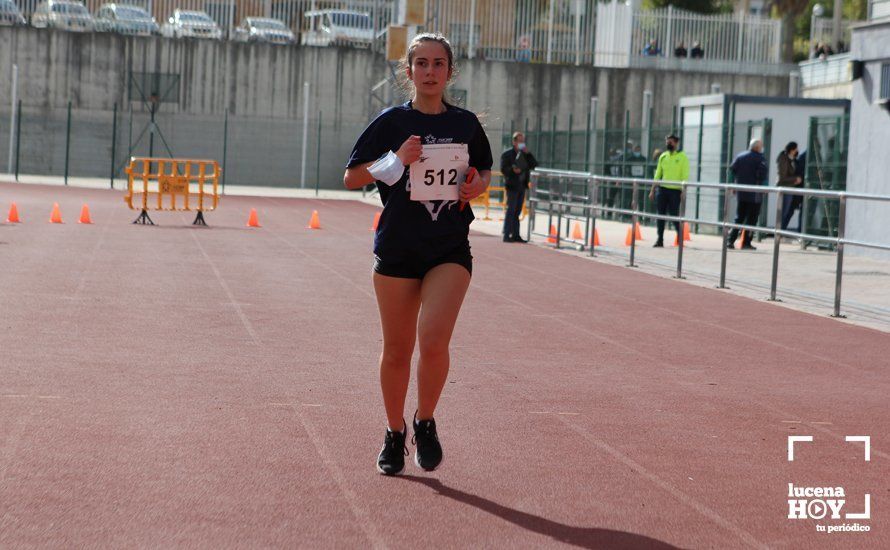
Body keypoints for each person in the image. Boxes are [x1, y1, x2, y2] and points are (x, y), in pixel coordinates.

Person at [342, 33, 493, 476]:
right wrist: (395, 161)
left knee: (433, 340)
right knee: (397, 349)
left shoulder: (465, 124)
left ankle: (425, 421)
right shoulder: (391, 122)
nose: (429, 72)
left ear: (450, 71)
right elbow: (351, 177)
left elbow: (483, 169)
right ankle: (394, 433)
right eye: (421, 64)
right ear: (408, 72)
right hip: (397, 248)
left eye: (438, 64)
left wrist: (477, 184)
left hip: (448, 246)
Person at [648, 134, 689, 247]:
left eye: (670, 142)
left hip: (675, 191)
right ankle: (660, 239)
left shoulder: (682, 157)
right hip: (662, 190)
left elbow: (685, 176)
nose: (668, 144)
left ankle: (680, 239)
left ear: (676, 143)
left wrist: (683, 191)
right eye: (667, 142)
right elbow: (658, 174)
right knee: (660, 215)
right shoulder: (663, 156)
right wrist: (652, 190)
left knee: (674, 215)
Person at [726, 139, 768, 250]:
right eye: (761, 146)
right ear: (758, 147)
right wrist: (765, 188)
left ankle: (730, 241)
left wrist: (732, 185)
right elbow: (763, 176)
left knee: (739, 218)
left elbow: (731, 171)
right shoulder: (760, 159)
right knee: (751, 220)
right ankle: (746, 243)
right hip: (755, 194)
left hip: (741, 193)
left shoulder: (740, 156)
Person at [500, 131, 537, 242]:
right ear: (514, 142)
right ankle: (507, 234)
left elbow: (534, 165)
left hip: (522, 185)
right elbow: (503, 169)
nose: (522, 143)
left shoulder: (525, 154)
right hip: (512, 186)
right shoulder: (507, 154)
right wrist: (513, 170)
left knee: (517, 211)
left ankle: (516, 234)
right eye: (519, 141)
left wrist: (528, 153)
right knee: (510, 210)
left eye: (523, 141)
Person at [776, 141, 802, 232]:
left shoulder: (792, 159)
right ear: (792, 150)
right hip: (785, 188)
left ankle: (780, 231)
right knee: (783, 211)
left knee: (787, 211)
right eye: (796, 149)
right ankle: (778, 231)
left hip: (790, 188)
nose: (797, 150)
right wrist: (795, 179)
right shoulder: (784, 159)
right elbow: (782, 177)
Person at [782, 148, 806, 233]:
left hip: (800, 187)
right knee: (791, 210)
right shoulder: (805, 156)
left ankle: (782, 229)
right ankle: (782, 229)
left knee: (793, 210)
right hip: (800, 188)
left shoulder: (803, 155)